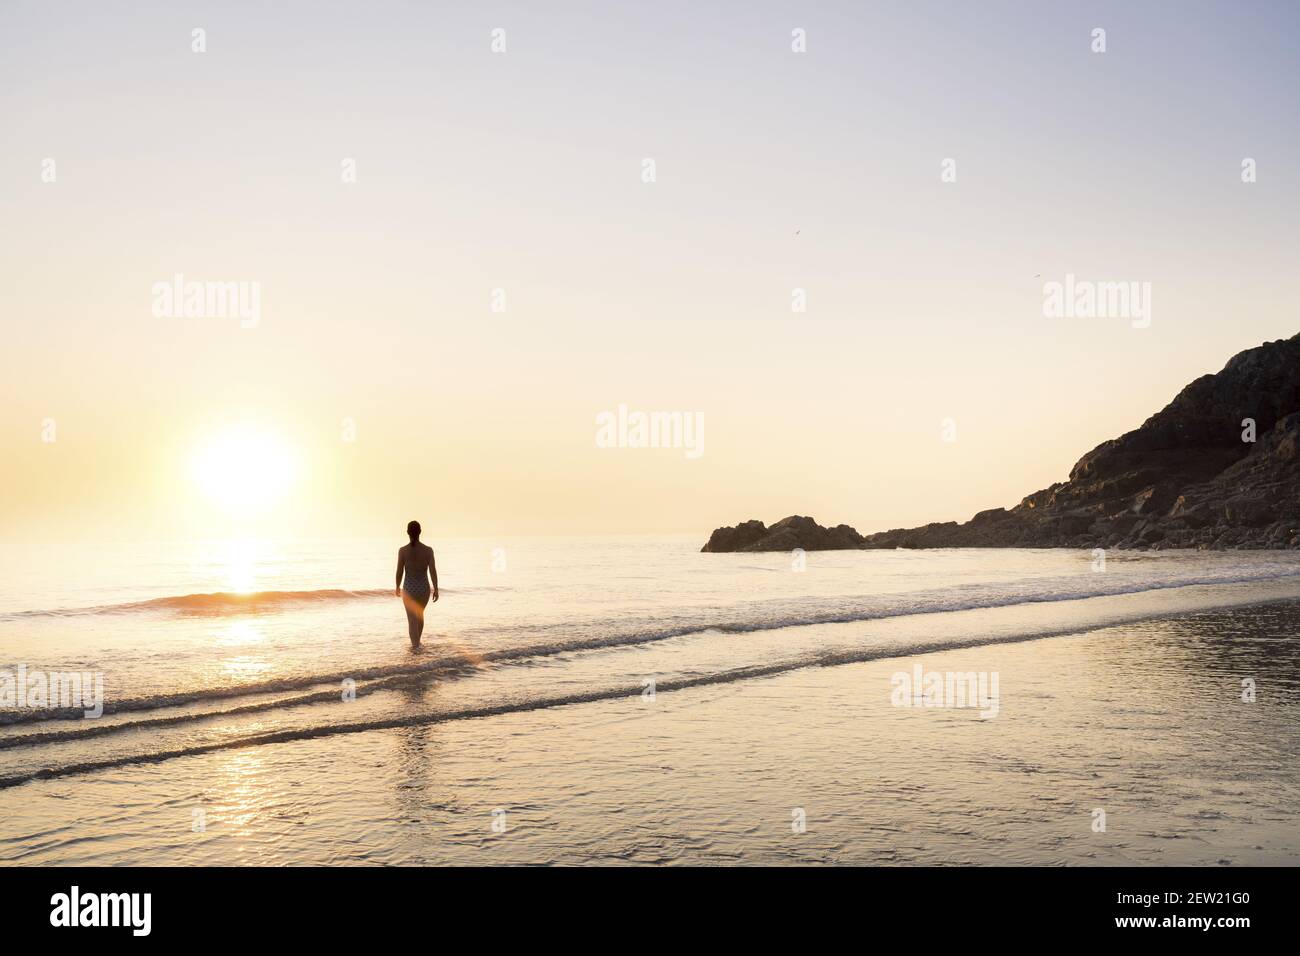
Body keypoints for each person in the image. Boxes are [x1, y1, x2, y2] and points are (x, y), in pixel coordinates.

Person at [395, 520, 438, 647]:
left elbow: (399, 571)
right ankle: (417, 644)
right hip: (424, 589)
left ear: (408, 532)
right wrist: (435, 588)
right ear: (420, 532)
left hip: (409, 589)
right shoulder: (428, 550)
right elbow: (433, 571)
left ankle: (415, 648)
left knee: (412, 620)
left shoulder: (403, 551)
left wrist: (397, 586)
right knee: (419, 616)